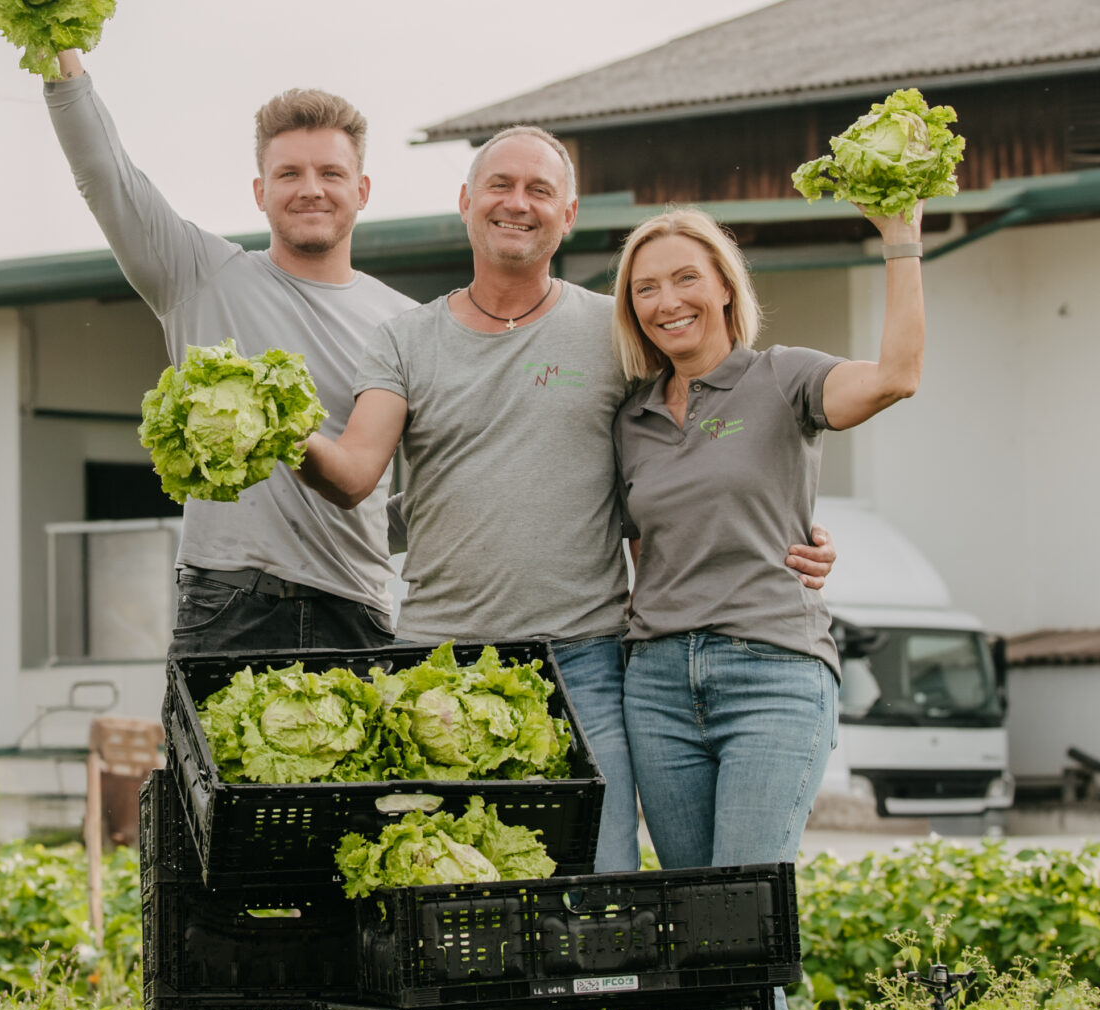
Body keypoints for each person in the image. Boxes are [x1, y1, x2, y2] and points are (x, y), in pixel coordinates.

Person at [296, 125, 837, 870]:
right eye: (500, 186)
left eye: (539, 190)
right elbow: (355, 471)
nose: (517, 204)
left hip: (587, 665)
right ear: (465, 202)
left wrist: (787, 525)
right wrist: (282, 434)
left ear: (568, 213)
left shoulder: (616, 335)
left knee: (601, 891)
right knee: (449, 894)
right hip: (438, 664)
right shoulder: (404, 340)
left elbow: (694, 453)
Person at [610, 201, 926, 1010]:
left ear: (722, 285)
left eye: (684, 278)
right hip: (658, 682)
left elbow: (897, 375)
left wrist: (900, 235)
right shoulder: (629, 420)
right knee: (690, 919)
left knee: (739, 916)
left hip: (772, 672)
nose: (667, 300)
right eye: (645, 289)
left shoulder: (783, 378)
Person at [45, 47, 413, 658]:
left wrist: (371, 527)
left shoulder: (406, 323)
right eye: (289, 174)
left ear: (363, 189)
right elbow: (106, 177)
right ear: (259, 191)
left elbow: (426, 487)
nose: (311, 190)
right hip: (229, 602)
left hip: (360, 611)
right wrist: (61, 55)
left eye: (331, 173)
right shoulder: (199, 274)